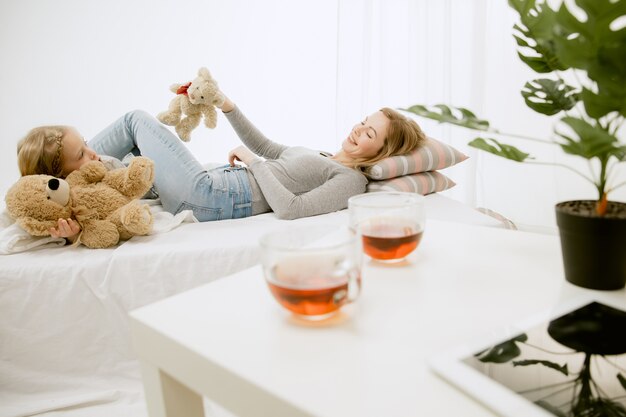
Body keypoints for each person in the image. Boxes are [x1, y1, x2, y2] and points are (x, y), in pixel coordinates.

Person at [16, 89, 426, 242]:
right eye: (363, 121)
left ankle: (52, 175)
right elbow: (267, 145)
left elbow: (291, 210)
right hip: (214, 183)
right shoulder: (324, 156)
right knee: (119, 164)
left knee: (134, 121)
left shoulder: (349, 181)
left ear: (381, 154)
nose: (358, 130)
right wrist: (226, 104)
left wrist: (253, 164)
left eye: (370, 134)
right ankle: (61, 195)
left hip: (211, 196)